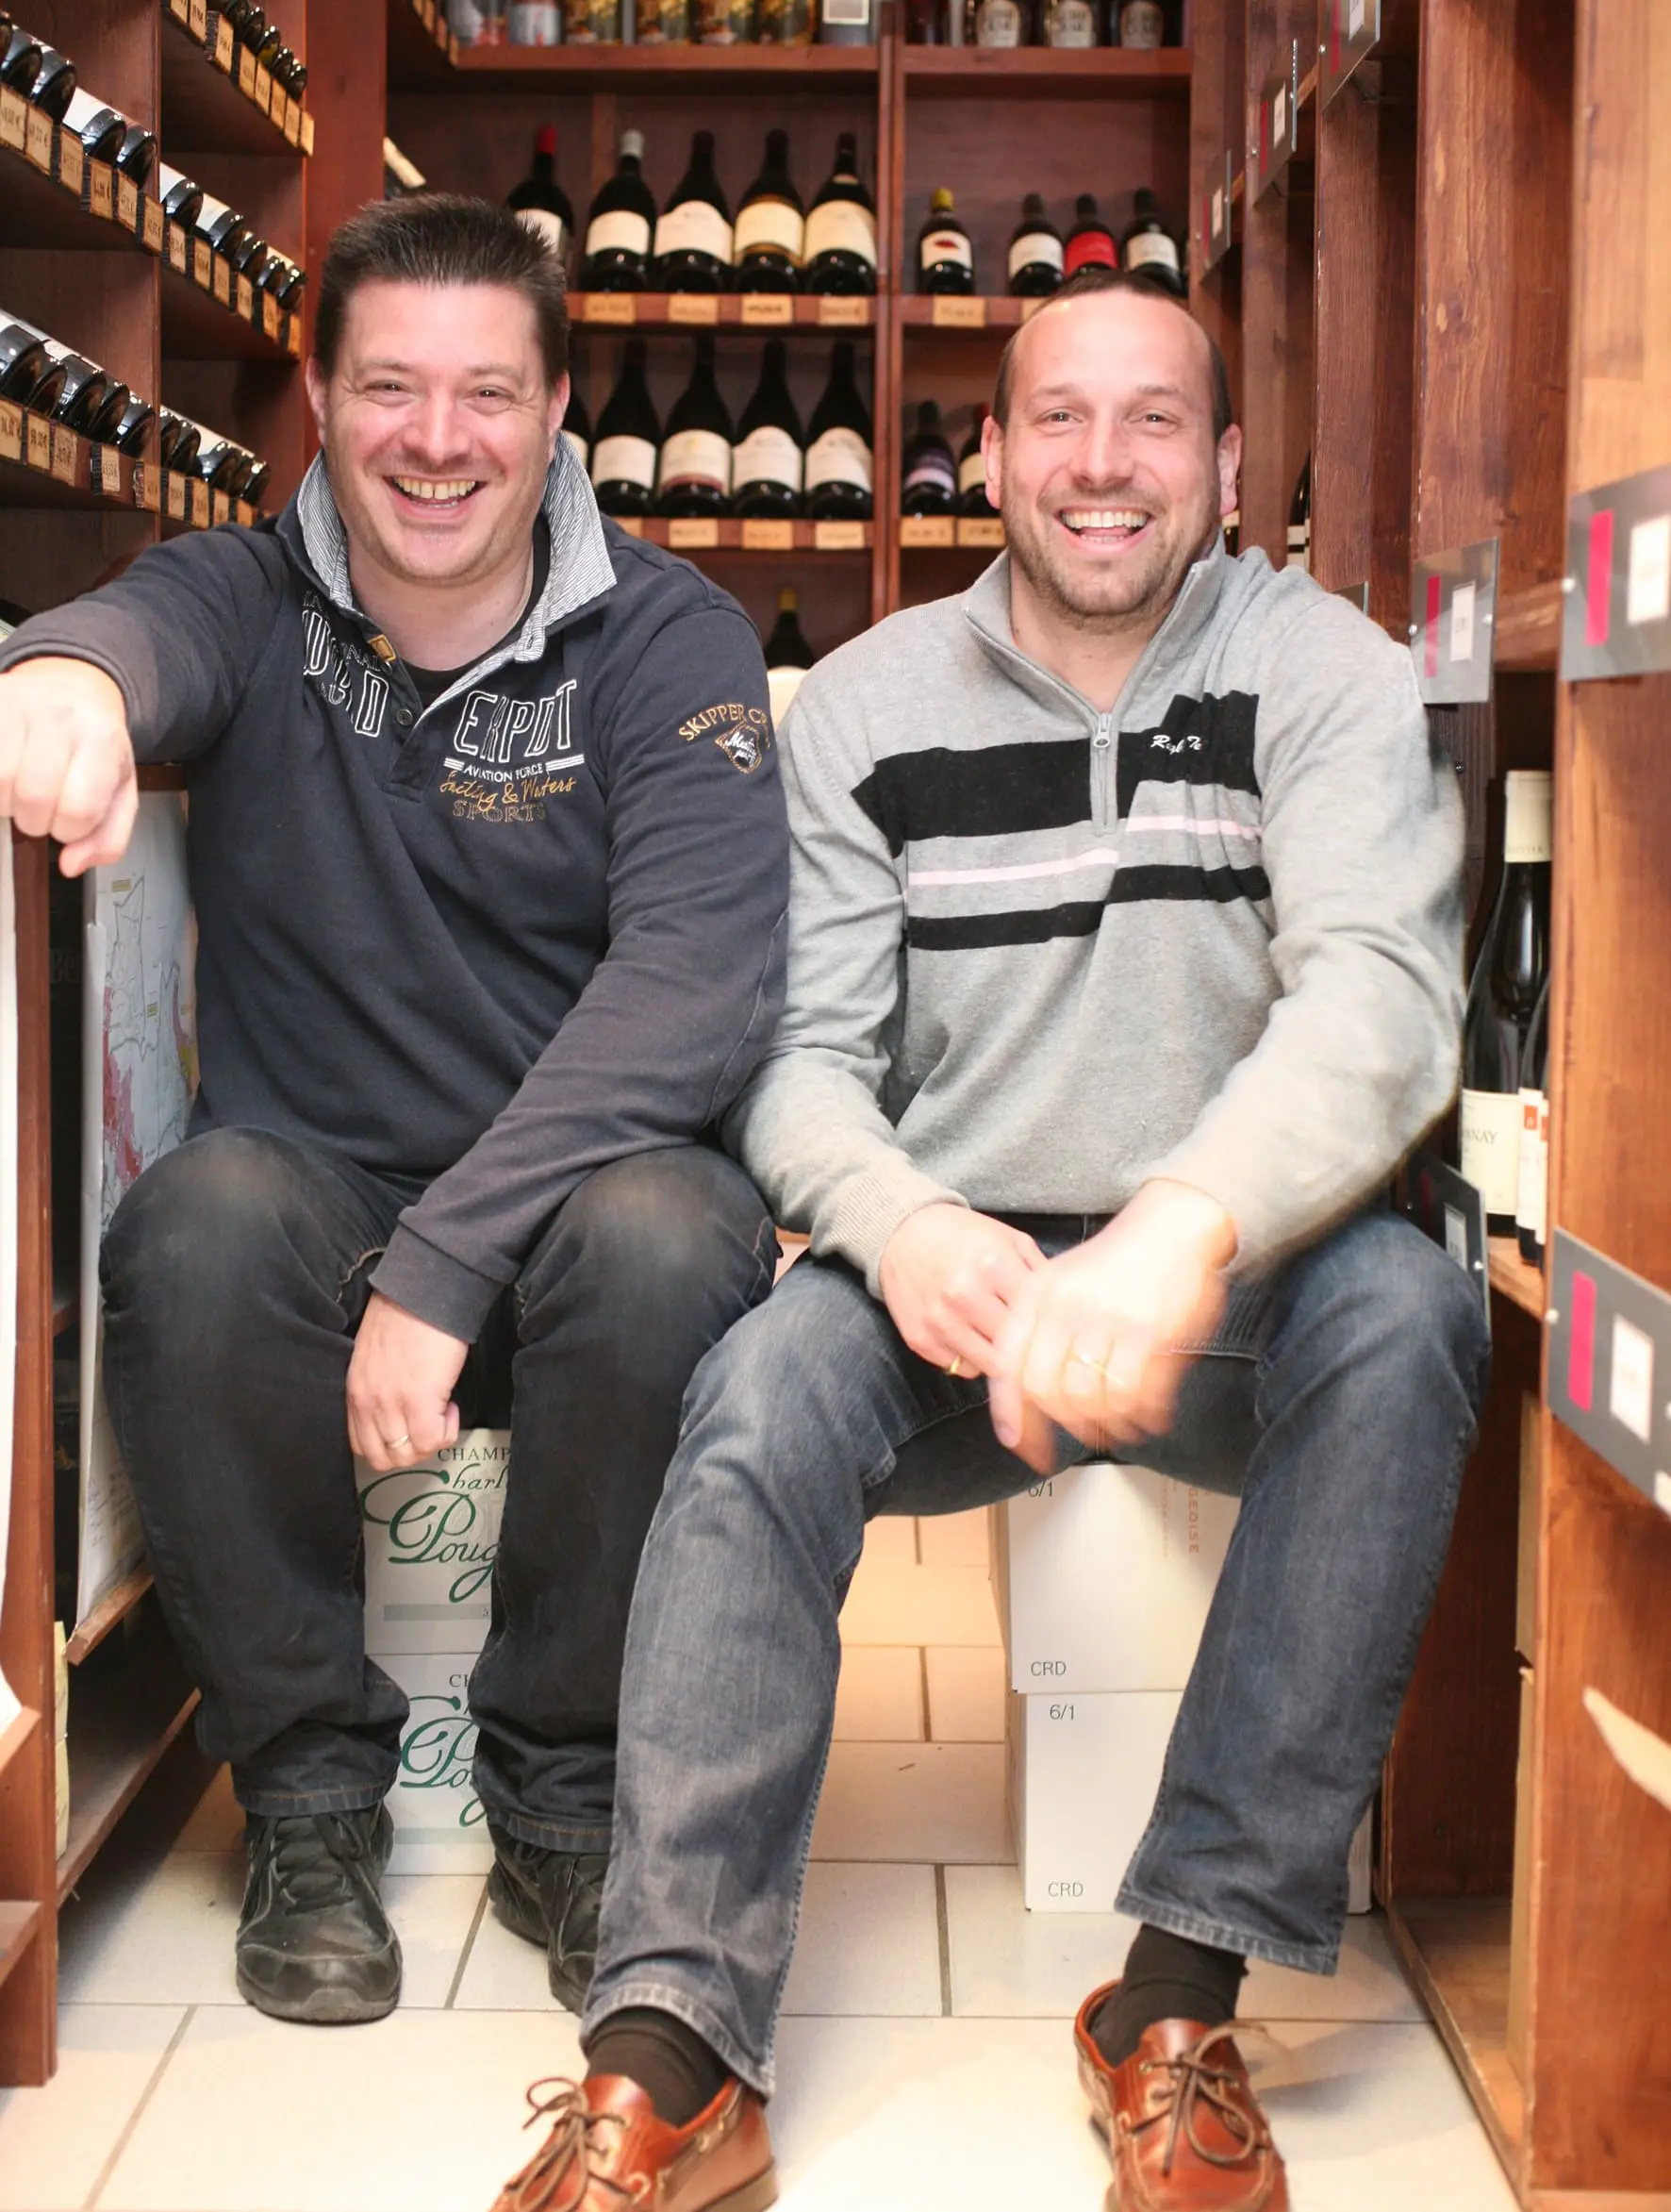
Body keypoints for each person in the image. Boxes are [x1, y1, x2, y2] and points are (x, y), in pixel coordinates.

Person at [488, 269, 1492, 2212]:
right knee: (764, 1380)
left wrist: (1182, 1226)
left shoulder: (1327, 671)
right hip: (954, 1277)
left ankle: (1174, 2000)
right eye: (1057, 419)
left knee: (1410, 1310)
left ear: (1215, 458)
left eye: (1149, 422)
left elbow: (1379, 996)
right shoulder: (860, 704)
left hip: (1237, 1277)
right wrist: (897, 1213)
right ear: (990, 452)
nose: (1099, 466)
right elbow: (797, 1060)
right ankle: (677, 2043)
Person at [0, 195, 788, 2027]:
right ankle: (309, 1793)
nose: (439, 439)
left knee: (679, 1228)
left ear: (558, 406)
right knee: (188, 1231)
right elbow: (118, 632)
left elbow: (689, 988)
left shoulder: (671, 641)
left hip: (587, 1213)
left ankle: (570, 1792)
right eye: (393, 388)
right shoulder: (245, 593)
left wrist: (443, 1263)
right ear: (321, 393)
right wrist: (57, 684)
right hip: (316, 1206)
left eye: (487, 393)